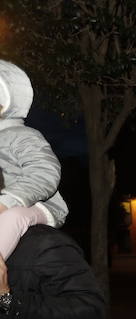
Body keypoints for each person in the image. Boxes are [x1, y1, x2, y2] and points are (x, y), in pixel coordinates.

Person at [0, 60, 69, 260]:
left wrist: (7, 201)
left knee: (14, 217)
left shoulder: (23, 135)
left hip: (38, 206)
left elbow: (44, 173)